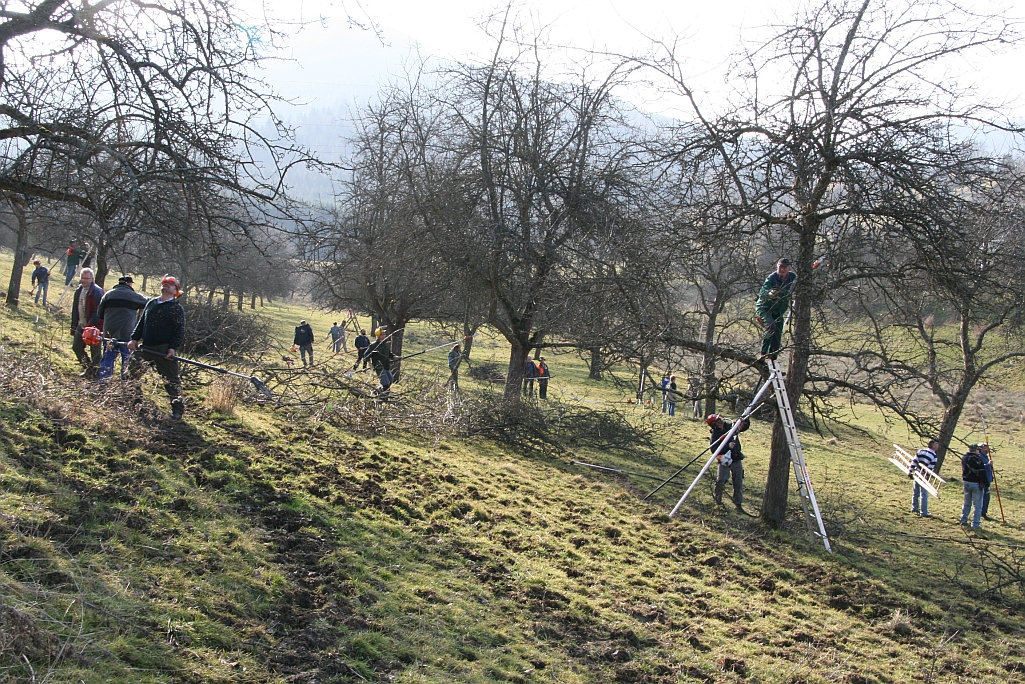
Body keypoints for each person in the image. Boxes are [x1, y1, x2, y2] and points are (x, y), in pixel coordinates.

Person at [127, 275, 187, 420]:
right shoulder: (151, 303)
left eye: (170, 285)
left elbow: (179, 331)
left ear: (175, 290)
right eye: (165, 283)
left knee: (172, 381)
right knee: (131, 374)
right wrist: (134, 339)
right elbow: (141, 323)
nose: (166, 286)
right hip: (145, 347)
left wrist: (172, 348)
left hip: (163, 349)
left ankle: (177, 410)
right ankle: (135, 402)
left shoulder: (176, 308)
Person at [96, 275, 147, 380]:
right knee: (127, 360)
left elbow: (99, 313)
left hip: (109, 332)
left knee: (108, 358)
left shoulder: (108, 295)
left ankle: (104, 381)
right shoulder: (134, 295)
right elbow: (149, 303)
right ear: (129, 284)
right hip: (127, 333)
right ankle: (126, 384)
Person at [707, 413, 751, 512]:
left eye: (720, 419)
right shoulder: (715, 435)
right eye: (718, 420)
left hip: (736, 459)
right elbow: (714, 450)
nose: (721, 420)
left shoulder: (731, 426)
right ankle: (718, 502)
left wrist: (746, 418)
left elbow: (743, 427)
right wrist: (727, 446)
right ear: (714, 424)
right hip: (724, 461)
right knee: (721, 481)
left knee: (738, 482)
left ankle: (738, 504)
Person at [756, 258, 797, 360]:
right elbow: (762, 293)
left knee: (777, 334)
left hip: (778, 311)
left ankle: (772, 359)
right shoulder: (771, 278)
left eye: (784, 268)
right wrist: (769, 293)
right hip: (765, 308)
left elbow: (801, 279)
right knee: (771, 326)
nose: (781, 270)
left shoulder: (792, 277)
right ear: (777, 267)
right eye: (780, 267)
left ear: (789, 269)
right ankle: (763, 354)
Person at [70, 268, 104, 378]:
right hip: (82, 325)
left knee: (95, 352)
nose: (84, 281)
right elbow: (75, 309)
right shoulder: (79, 290)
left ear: (92, 279)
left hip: (95, 327)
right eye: (82, 278)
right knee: (77, 347)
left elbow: (98, 311)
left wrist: (91, 325)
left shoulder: (96, 291)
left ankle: (96, 373)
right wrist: (74, 326)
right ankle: (88, 368)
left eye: (86, 278)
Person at [960, 444, 988, 529]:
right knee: (977, 505)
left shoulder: (964, 457)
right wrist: (986, 484)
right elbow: (982, 472)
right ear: (975, 450)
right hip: (976, 483)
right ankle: (975, 523)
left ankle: (963, 519)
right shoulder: (977, 459)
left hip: (966, 482)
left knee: (967, 502)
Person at [909, 438, 940, 518]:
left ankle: (914, 508)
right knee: (924, 494)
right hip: (924, 476)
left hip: (916, 473)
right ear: (933, 445)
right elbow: (930, 468)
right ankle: (924, 512)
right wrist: (927, 477)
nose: (938, 446)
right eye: (937, 444)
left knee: (915, 492)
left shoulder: (921, 451)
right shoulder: (934, 456)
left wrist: (910, 470)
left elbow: (914, 461)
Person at [980, 443, 995, 521]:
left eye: (988, 448)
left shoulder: (985, 457)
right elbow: (980, 467)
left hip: (988, 479)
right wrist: (988, 464)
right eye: (985, 448)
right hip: (983, 480)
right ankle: (981, 512)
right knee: (983, 497)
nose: (987, 450)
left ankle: (984, 512)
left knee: (987, 497)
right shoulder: (979, 457)